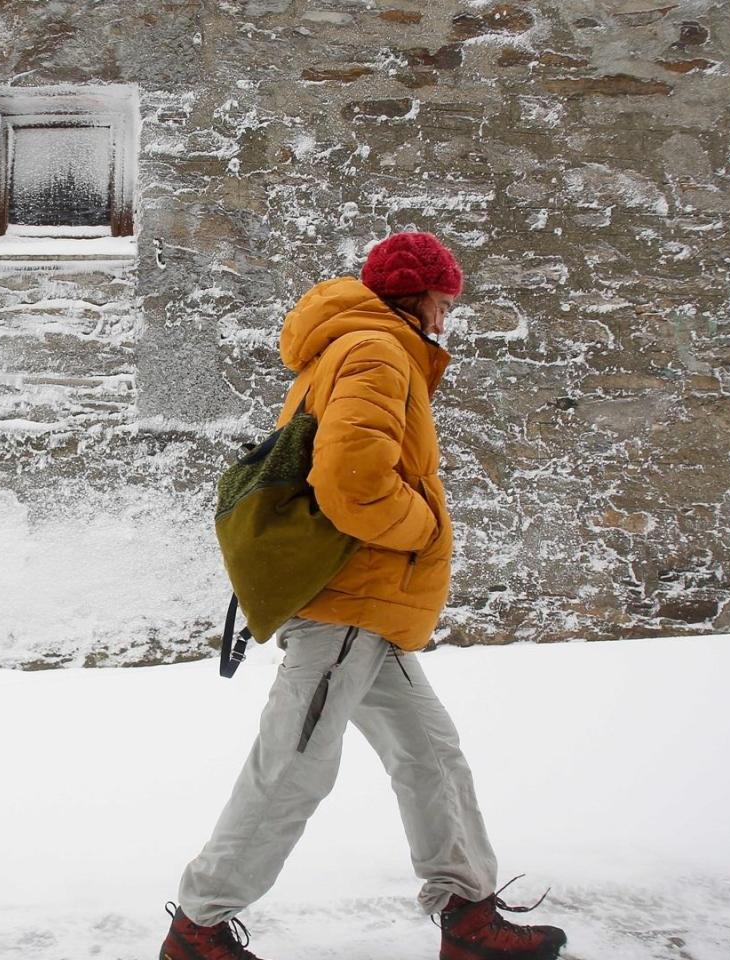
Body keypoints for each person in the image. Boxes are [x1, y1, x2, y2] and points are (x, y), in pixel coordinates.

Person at [160, 232, 567, 960]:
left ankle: (468, 914)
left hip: (367, 613)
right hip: (347, 606)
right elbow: (351, 483)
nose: (449, 315)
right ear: (421, 297)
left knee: (430, 753)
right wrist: (423, 527)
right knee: (294, 766)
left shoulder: (360, 346)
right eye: (446, 300)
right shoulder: (378, 350)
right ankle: (199, 928)